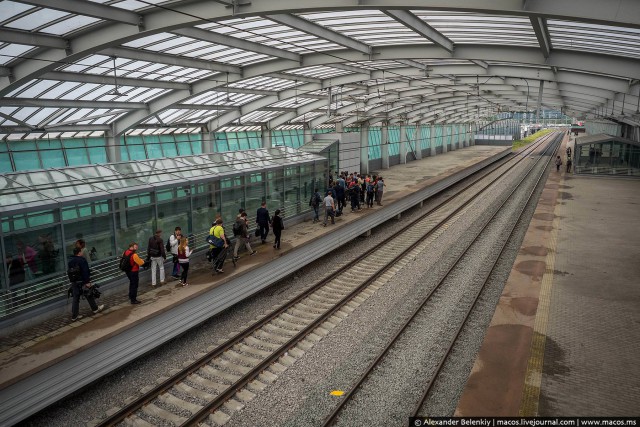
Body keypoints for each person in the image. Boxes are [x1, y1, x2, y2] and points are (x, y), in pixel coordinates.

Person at [68, 247, 103, 321]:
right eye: (81, 251)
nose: (82, 252)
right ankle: (95, 309)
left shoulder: (70, 261)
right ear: (79, 252)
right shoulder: (82, 260)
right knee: (89, 294)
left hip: (74, 282)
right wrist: (87, 282)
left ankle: (74, 316)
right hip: (82, 281)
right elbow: (85, 272)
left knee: (75, 299)